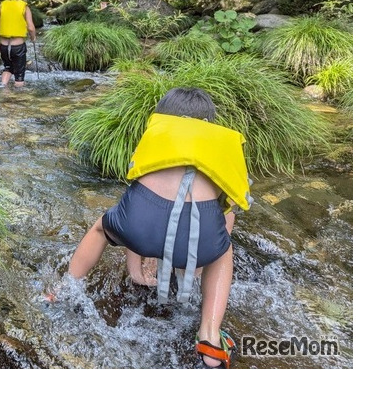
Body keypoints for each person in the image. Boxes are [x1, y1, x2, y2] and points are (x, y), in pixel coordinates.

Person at [63, 87, 253, 368]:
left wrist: (135, 265)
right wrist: (199, 262)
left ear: (163, 118)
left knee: (101, 229)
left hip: (139, 225)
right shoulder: (222, 148)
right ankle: (210, 336)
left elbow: (134, 202)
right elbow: (227, 217)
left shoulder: (156, 137)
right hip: (200, 240)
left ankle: (64, 288)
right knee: (224, 251)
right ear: (209, 125)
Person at [0, 0, 37, 87]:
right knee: (19, 76)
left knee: (8, 68)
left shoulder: (2, 5)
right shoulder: (24, 6)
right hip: (18, 47)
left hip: (4, 46)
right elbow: (31, 27)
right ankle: (18, 95)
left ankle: (3, 88)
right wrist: (33, 38)